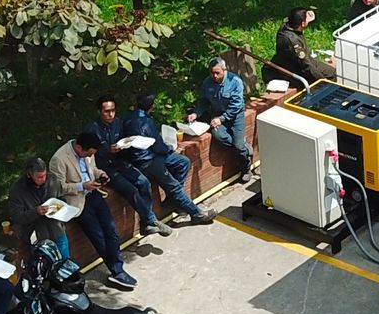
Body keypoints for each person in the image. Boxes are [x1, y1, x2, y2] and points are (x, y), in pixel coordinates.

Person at [50, 133, 137, 289]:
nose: (90, 156)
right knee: (98, 236)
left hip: (94, 194)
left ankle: (117, 266)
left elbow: (93, 169)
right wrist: (82, 186)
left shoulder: (89, 153)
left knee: (112, 230)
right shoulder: (59, 159)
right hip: (78, 200)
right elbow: (59, 188)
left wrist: (100, 175)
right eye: (88, 153)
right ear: (78, 147)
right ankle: (116, 271)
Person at [84, 95, 173, 236]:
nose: (111, 114)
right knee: (130, 190)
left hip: (120, 161)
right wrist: (107, 150)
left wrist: (127, 144)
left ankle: (145, 224)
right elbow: (89, 153)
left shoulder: (118, 123)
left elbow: (125, 139)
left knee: (143, 182)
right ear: (99, 112)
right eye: (107, 111)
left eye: (113, 110)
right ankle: (151, 220)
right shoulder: (92, 129)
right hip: (104, 167)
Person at [127, 91, 214, 225]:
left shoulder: (128, 119)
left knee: (183, 162)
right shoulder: (146, 122)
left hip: (146, 156)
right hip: (148, 161)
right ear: (151, 106)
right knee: (173, 186)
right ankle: (196, 213)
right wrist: (170, 148)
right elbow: (157, 146)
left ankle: (172, 200)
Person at [187, 57, 254, 185]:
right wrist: (196, 113)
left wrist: (222, 119)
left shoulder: (235, 82)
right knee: (219, 135)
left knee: (239, 146)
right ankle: (243, 147)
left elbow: (236, 105)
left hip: (235, 116)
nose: (215, 76)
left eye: (217, 73)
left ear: (224, 70)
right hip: (218, 115)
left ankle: (245, 168)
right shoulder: (208, 83)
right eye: (212, 73)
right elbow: (203, 101)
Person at [7, 157, 67, 259]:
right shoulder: (18, 189)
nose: (43, 179)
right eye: (39, 177)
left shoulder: (52, 180)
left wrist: (59, 206)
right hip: (38, 237)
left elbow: (62, 198)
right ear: (29, 174)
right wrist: (36, 212)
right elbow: (16, 216)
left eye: (44, 175)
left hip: (57, 230)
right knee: (48, 269)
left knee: (66, 265)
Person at [271, 8, 336, 87]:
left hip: (305, 60)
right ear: (302, 23)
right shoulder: (293, 42)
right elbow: (306, 66)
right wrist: (322, 80)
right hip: (296, 68)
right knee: (331, 77)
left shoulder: (288, 25)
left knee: (332, 72)